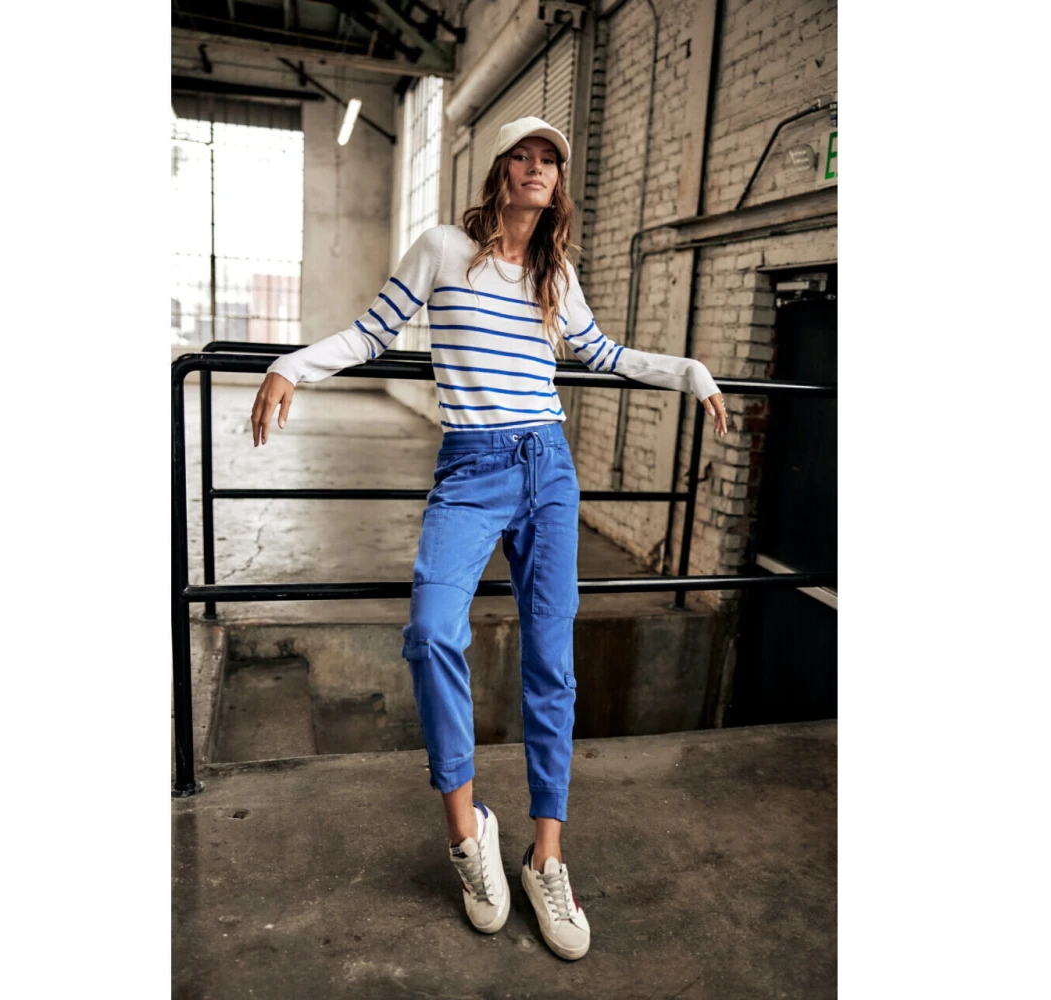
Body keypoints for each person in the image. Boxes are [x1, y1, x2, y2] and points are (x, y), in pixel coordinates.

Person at [248, 116, 728, 961]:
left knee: (552, 661)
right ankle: (468, 838)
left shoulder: (556, 274)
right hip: (470, 469)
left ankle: (547, 858)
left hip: (548, 467)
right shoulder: (443, 250)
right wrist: (292, 364)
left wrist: (688, 371)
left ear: (557, 182)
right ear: (501, 171)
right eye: (524, 156)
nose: (538, 168)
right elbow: (372, 331)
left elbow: (602, 352)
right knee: (432, 631)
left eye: (551, 160)